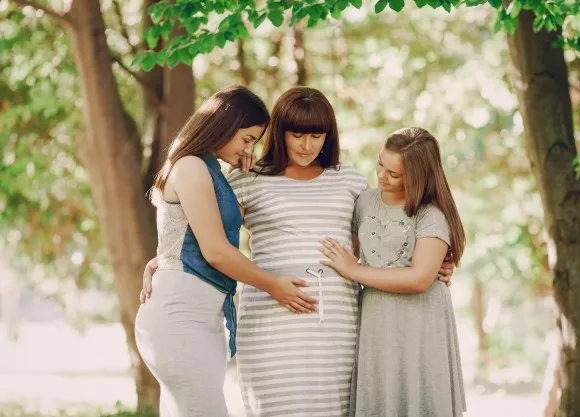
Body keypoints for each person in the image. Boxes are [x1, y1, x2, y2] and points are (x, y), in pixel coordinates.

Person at [141, 87, 455, 417]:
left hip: (337, 318)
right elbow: (205, 232)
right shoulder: (248, 178)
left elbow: (382, 238)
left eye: (316, 136)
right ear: (279, 133)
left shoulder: (348, 180)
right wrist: (161, 261)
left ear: (328, 135)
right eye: (297, 135)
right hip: (269, 315)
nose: (306, 146)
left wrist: (434, 263)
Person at [134, 85, 316, 417]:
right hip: (181, 317)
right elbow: (216, 251)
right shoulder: (190, 167)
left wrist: (240, 178)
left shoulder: (210, 172)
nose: (250, 148)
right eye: (247, 139)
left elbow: (204, 231)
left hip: (200, 315)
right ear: (224, 126)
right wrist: (274, 285)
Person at [321, 127, 467, 417]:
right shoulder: (363, 202)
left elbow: (419, 278)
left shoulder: (430, 214)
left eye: (394, 174)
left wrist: (355, 270)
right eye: (380, 164)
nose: (382, 176)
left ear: (418, 176)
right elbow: (343, 251)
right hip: (376, 319)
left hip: (419, 321)